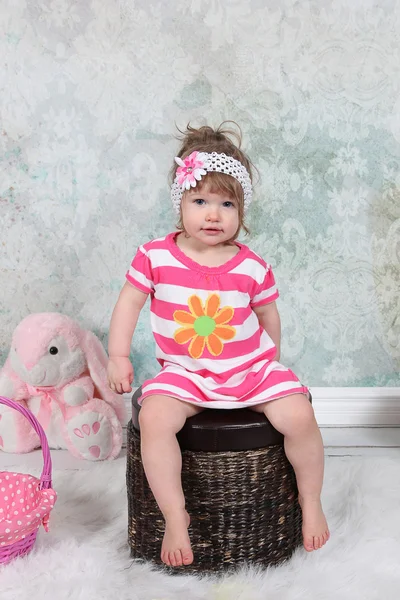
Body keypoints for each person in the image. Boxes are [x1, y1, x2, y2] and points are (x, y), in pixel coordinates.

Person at [107, 122, 330, 568]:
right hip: (186, 374)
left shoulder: (251, 265)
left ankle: (310, 500)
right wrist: (117, 354)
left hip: (248, 370)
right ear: (180, 202)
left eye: (227, 203)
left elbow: (268, 316)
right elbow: (129, 303)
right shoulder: (155, 256)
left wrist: (272, 368)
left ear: (241, 210)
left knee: (299, 414)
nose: (213, 214)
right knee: (155, 418)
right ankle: (175, 515)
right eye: (200, 201)